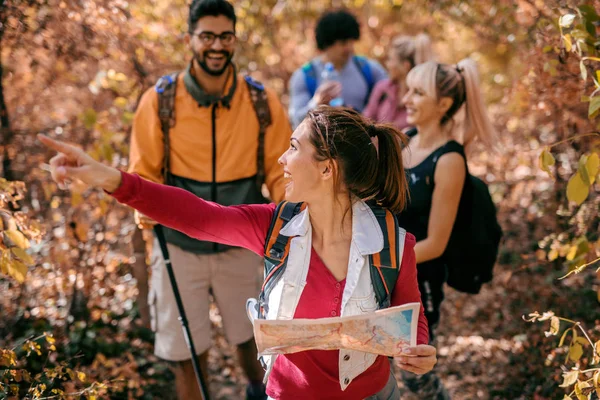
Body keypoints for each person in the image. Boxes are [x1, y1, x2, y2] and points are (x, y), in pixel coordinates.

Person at [39, 106, 437, 400]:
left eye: (294, 148)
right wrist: (111, 180)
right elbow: (197, 216)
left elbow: (409, 319)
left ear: (327, 169)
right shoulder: (275, 228)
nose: (282, 159)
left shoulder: (393, 245)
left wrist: (419, 353)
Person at [127, 0, 292, 398]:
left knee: (252, 336)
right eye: (207, 36)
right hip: (179, 245)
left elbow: (281, 171)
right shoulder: (161, 100)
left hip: (242, 239)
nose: (216, 46)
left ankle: (259, 391)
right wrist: (145, 213)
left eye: (225, 36)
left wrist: (291, 218)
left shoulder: (260, 101)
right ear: (190, 39)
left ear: (234, 39)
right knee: (185, 349)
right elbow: (143, 171)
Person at [395, 59, 497, 399]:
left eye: (418, 93)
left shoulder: (449, 160)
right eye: (408, 89)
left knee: (415, 376)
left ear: (443, 105)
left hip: (418, 281)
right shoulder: (404, 141)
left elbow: (436, 244)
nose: (406, 99)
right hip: (383, 272)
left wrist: (382, 260)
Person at [288, 9, 388, 128]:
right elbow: (296, 121)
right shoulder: (304, 77)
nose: (349, 48)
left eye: (351, 42)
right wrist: (316, 103)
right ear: (327, 44)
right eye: (343, 43)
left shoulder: (368, 69)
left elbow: (391, 96)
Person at [363, 33, 434, 131]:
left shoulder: (422, 96)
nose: (388, 64)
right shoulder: (382, 88)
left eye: (391, 60)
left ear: (405, 65)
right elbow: (365, 120)